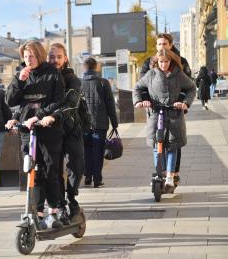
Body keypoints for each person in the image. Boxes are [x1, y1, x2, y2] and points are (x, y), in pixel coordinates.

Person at [5, 40, 65, 229]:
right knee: (33, 171)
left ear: (39, 55)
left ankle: (55, 210)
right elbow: (10, 100)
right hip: (27, 132)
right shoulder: (22, 75)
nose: (28, 59)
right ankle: (37, 212)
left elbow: (57, 101)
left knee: (50, 170)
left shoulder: (53, 75)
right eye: (25, 56)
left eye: (31, 56)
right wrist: (19, 81)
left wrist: (39, 116)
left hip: (48, 131)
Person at [133, 49, 196, 188]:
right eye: (161, 62)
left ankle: (169, 176)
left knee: (173, 145)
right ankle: (158, 173)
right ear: (157, 62)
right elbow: (137, 87)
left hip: (174, 115)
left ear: (171, 61)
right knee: (157, 144)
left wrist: (185, 103)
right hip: (155, 114)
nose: (163, 64)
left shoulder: (178, 75)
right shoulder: (151, 74)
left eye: (166, 61)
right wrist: (140, 101)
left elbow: (192, 88)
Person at [44, 43, 84, 223]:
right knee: (54, 168)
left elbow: (72, 102)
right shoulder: (45, 78)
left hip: (70, 126)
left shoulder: (72, 79)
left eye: (59, 57)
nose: (55, 60)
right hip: (51, 130)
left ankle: (71, 195)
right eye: (52, 57)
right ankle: (59, 202)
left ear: (65, 58)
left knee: (76, 164)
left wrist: (55, 115)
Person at [82, 57, 118, 188]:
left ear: (84, 68)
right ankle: (97, 179)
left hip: (83, 124)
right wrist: (114, 123)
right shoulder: (103, 82)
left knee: (86, 150)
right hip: (100, 123)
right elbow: (110, 105)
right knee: (98, 151)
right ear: (96, 67)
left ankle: (87, 176)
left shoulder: (79, 83)